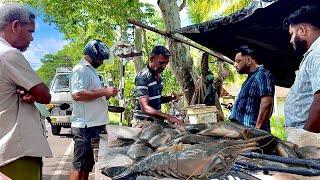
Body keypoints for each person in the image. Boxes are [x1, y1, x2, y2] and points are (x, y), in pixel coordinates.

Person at [0, 3, 52, 180]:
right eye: (30, 32)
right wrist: (35, 93)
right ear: (15, 26)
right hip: (15, 151)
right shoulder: (9, 55)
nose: (32, 39)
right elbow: (45, 95)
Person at [69, 39, 118, 180]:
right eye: (101, 59)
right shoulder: (81, 69)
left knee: (86, 167)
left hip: (94, 125)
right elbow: (78, 94)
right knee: (79, 166)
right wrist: (104, 92)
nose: (102, 62)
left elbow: (92, 95)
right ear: (94, 55)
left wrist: (106, 95)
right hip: (85, 126)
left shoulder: (90, 70)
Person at [283, 5, 320, 146]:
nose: (291, 40)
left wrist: (304, 139)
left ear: (302, 30)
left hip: (309, 139)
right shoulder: (313, 54)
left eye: (292, 34)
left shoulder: (317, 53)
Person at [132, 45, 182, 128]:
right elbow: (145, 107)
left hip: (155, 123)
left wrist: (170, 98)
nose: (164, 66)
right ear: (151, 59)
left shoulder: (159, 76)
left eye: (166, 63)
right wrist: (167, 116)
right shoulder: (143, 77)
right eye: (161, 63)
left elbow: (156, 99)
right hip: (142, 123)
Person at [229, 45, 275, 132]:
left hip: (252, 134)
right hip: (243, 132)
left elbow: (267, 103)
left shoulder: (262, 74)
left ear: (249, 60)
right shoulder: (250, 78)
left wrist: (256, 130)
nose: (235, 65)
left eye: (238, 61)